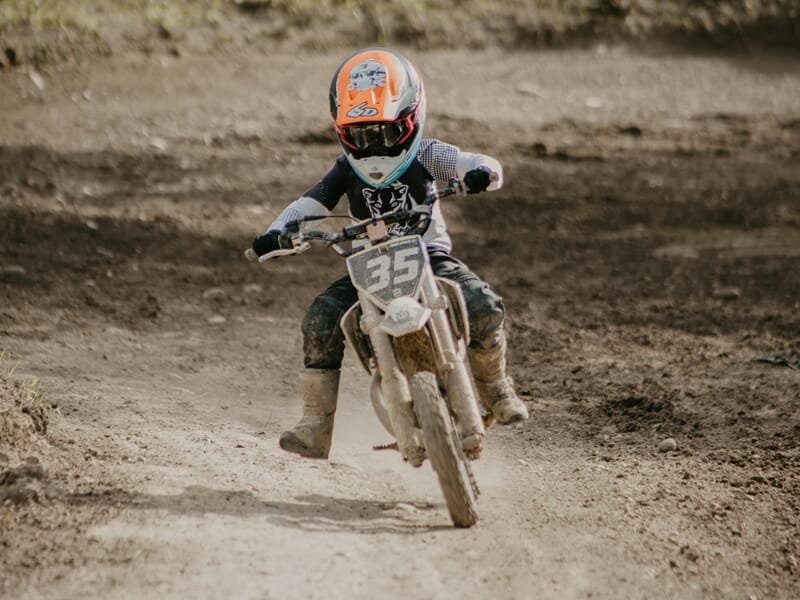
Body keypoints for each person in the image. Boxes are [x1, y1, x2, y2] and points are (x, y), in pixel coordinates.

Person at [251, 48, 528, 459]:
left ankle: (497, 387)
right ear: (342, 130)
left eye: (386, 131)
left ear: (412, 117)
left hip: (428, 257)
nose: (375, 145)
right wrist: (277, 232)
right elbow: (311, 203)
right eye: (362, 135)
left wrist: (481, 174)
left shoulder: (427, 154)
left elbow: (477, 161)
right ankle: (315, 422)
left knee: (484, 304)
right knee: (320, 318)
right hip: (367, 268)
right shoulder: (344, 170)